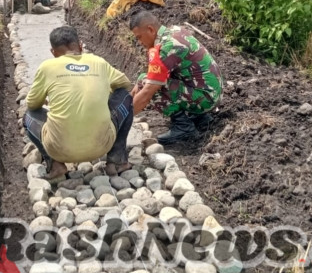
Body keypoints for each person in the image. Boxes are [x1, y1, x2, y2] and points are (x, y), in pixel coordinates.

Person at [24, 26, 134, 179]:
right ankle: (117, 161)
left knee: (29, 115)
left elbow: (33, 105)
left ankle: (55, 164)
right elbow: (125, 84)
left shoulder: (47, 67)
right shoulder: (99, 62)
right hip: (101, 146)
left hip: (59, 150)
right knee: (125, 96)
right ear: (81, 46)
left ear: (53, 52)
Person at [129, 11, 223, 145]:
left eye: (139, 37)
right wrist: (126, 103)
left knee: (151, 86)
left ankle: (184, 128)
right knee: (143, 78)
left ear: (150, 29)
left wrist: (122, 120)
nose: (139, 42)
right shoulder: (174, 31)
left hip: (207, 99)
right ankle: (198, 117)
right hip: (209, 92)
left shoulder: (168, 48)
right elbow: (147, 78)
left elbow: (146, 93)